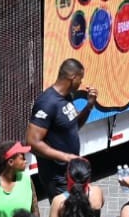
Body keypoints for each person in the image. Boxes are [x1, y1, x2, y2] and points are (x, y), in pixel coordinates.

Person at [27, 59, 97, 195]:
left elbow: (75, 125)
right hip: (57, 177)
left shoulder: (67, 97)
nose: (81, 83)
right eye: (80, 79)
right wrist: (66, 157)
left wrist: (89, 106)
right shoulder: (47, 103)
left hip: (72, 172)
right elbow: (32, 142)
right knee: (65, 214)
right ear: (73, 77)